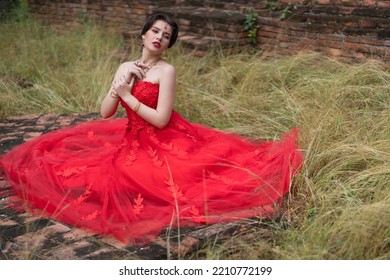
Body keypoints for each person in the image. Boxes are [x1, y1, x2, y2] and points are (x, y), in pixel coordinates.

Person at [0, 14, 303, 245]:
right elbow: (106, 113)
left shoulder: (166, 71)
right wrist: (121, 85)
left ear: (169, 44)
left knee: (177, 182)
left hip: (167, 139)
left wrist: (129, 96)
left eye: (167, 35)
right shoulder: (125, 66)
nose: (160, 37)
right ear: (144, 35)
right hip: (132, 141)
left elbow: (160, 119)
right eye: (155, 31)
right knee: (107, 179)